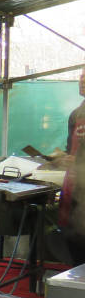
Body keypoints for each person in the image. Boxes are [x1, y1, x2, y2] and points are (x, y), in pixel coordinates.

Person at [57, 67, 85, 263]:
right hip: (73, 187)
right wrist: (62, 158)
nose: (82, 81)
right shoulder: (76, 114)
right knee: (72, 237)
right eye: (81, 77)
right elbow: (71, 149)